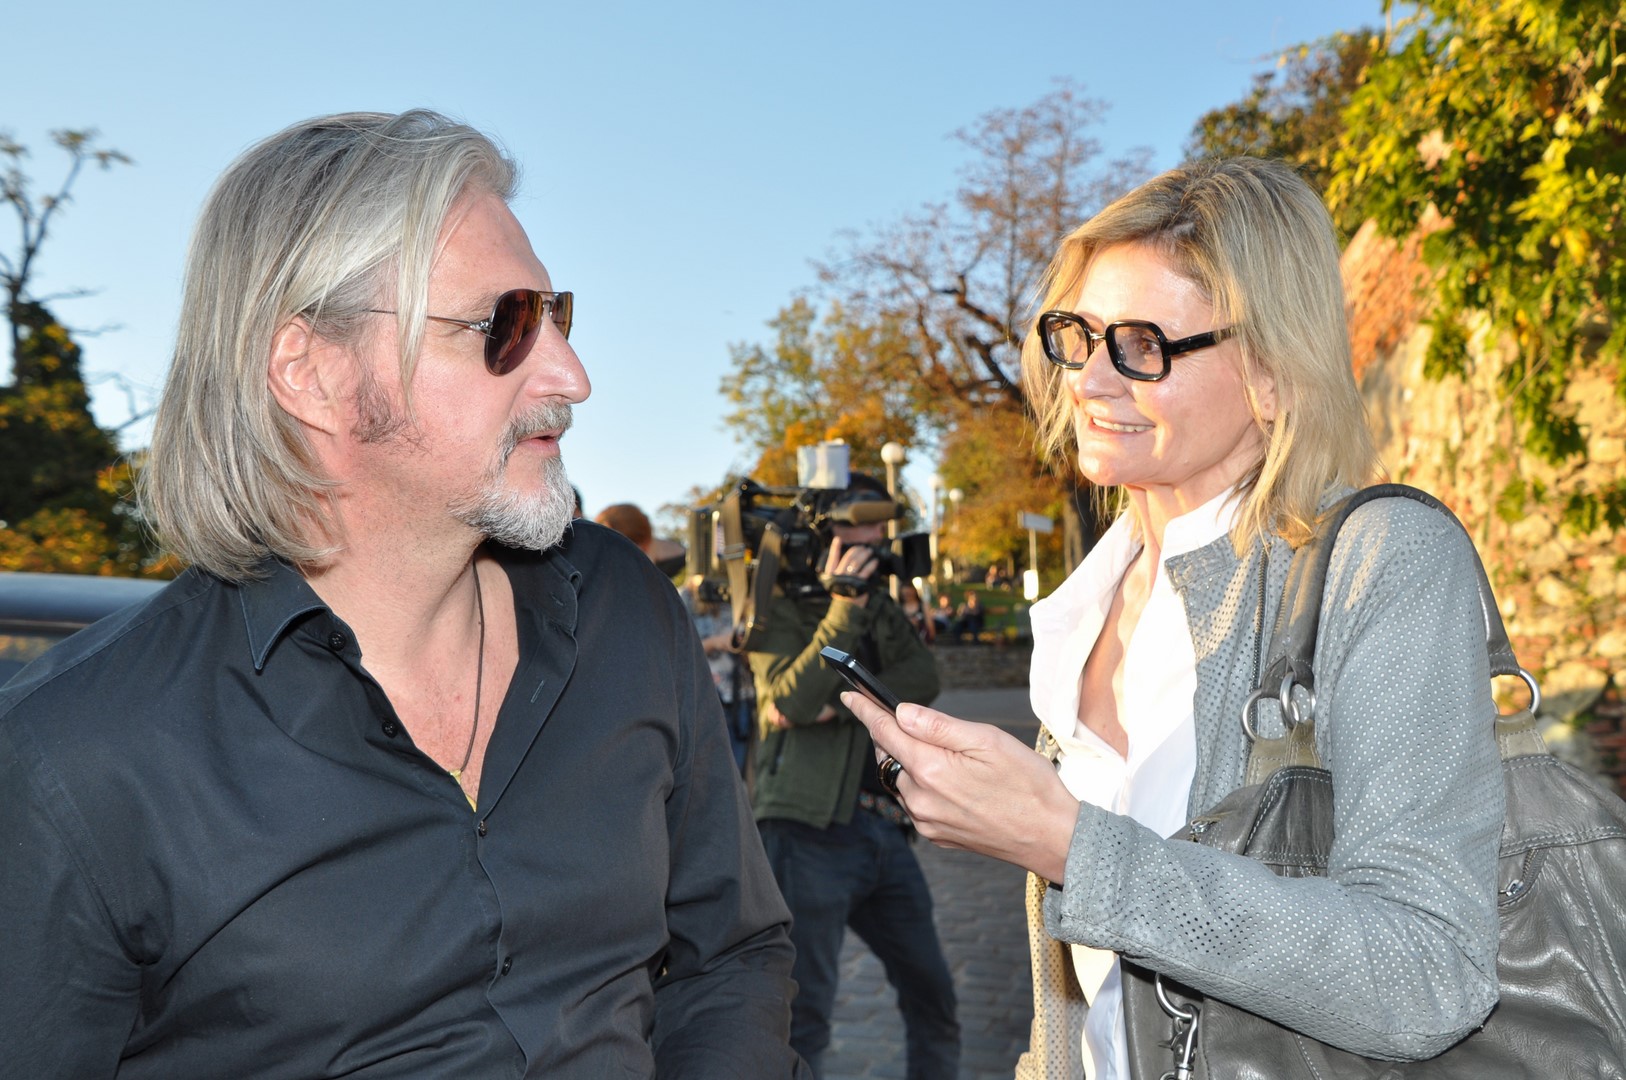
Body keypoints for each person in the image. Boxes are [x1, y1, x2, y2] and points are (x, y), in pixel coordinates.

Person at [0, 110, 805, 1079]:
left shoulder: (623, 608)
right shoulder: (74, 759)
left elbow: (732, 956)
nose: (572, 375)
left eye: (558, 316)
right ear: (310, 372)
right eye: (503, 325)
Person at [844, 157, 1503, 1079]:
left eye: (1142, 346)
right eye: (1078, 335)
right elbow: (1090, 1002)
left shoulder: (1381, 563)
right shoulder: (1086, 606)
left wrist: (1068, 845)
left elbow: (1429, 973)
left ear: (1273, 371)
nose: (1090, 381)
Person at [747, 473, 961, 1078]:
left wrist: (841, 705)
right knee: (803, 1017)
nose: (875, 540)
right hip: (806, 833)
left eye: (880, 527)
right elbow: (789, 701)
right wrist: (842, 608)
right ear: (826, 530)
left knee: (934, 998)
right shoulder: (778, 603)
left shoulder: (880, 603)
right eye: (860, 525)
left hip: (886, 832)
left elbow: (923, 680)